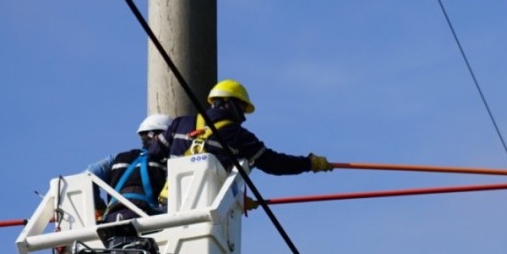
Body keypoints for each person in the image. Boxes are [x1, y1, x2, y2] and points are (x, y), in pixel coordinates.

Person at [148, 79, 333, 204]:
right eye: (242, 108)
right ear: (228, 103)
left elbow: (153, 156)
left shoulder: (181, 123)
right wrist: (309, 163)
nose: (243, 116)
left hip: (168, 205)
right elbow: (275, 164)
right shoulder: (239, 136)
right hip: (206, 209)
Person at [86, 114, 172, 222]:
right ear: (157, 136)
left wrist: (100, 208)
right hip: (145, 218)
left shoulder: (117, 158)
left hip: (112, 217)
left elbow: (89, 173)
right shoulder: (167, 163)